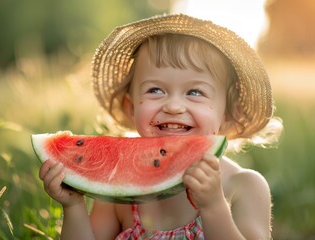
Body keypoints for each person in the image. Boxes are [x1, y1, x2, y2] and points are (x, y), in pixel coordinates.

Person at [39, 14, 283, 239]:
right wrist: (73, 207)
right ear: (130, 107)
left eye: (195, 92)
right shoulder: (118, 192)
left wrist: (214, 206)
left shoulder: (244, 186)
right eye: (155, 90)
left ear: (229, 114)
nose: (174, 106)